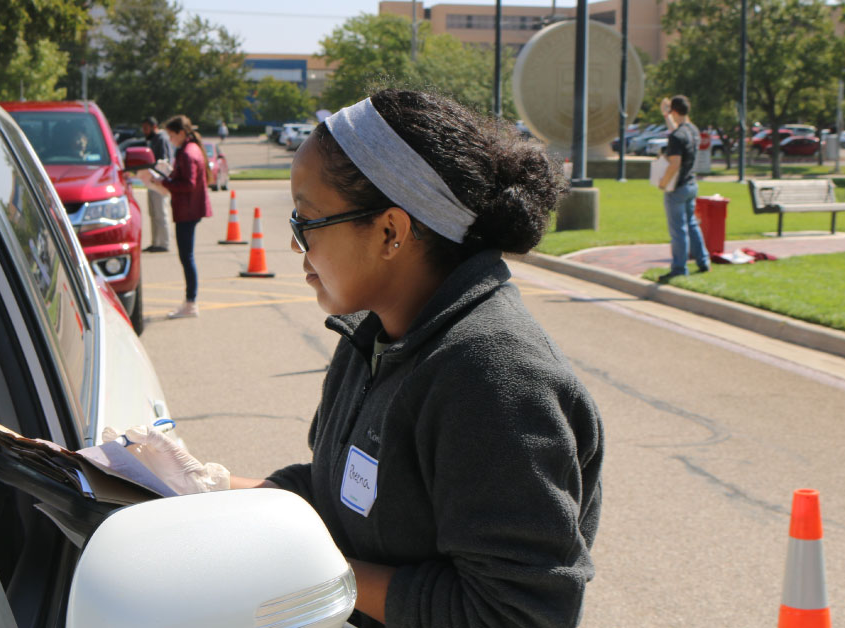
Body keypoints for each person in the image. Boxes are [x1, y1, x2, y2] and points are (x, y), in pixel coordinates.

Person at [125, 90, 605, 627]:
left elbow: (518, 612)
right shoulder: (375, 334)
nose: (294, 245)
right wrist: (201, 487)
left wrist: (317, 576)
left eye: (305, 222)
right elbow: (341, 494)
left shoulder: (495, 379)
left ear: (390, 232)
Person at [137, 115, 212, 318]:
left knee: (186, 257)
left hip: (187, 210)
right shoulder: (191, 149)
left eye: (171, 135)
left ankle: (190, 303)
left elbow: (188, 183)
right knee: (187, 257)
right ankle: (190, 302)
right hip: (189, 209)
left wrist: (164, 182)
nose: (170, 140)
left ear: (181, 133)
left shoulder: (187, 153)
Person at [656, 94, 710, 282]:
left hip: (677, 189)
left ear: (674, 111)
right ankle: (703, 261)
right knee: (692, 225)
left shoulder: (677, 136)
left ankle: (679, 267)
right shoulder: (692, 130)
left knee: (678, 230)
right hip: (691, 185)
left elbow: (674, 163)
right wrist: (666, 114)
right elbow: (677, 130)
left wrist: (663, 182)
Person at [141, 116, 174, 253]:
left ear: (154, 127)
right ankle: (156, 242)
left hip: (159, 182)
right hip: (151, 181)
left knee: (161, 212)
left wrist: (159, 178)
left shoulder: (161, 139)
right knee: (153, 213)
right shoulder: (153, 140)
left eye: (146, 128)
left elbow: (164, 162)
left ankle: (164, 243)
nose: (144, 131)